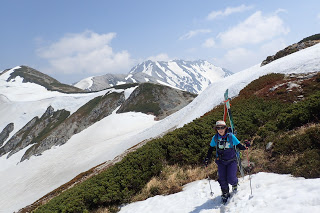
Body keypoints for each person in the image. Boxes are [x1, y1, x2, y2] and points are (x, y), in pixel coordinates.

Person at [204, 120, 250, 204]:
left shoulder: (231, 137)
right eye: (218, 128)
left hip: (231, 161)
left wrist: (247, 146)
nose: (220, 130)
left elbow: (240, 146)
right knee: (222, 179)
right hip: (221, 161)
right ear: (216, 129)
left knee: (231, 178)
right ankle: (225, 193)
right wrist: (207, 158)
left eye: (222, 128)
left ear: (225, 128)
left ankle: (235, 184)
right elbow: (211, 149)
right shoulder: (215, 138)